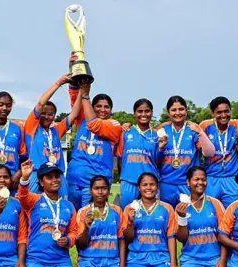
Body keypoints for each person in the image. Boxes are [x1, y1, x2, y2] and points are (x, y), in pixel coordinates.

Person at [66, 53, 122, 210]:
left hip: (95, 184)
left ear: (111, 110)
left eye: (106, 107)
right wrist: (74, 69)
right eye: (98, 106)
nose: (102, 109)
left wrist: (86, 96)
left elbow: (95, 126)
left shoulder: (114, 125)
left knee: (89, 222)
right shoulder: (81, 118)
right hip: (74, 179)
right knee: (72, 221)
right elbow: (74, 95)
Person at [24, 73, 81, 196]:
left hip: (57, 175)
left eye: (50, 114)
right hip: (37, 174)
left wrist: (82, 90)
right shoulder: (32, 127)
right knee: (33, 210)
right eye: (43, 113)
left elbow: (75, 113)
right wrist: (59, 83)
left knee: (62, 208)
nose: (46, 116)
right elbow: (40, 104)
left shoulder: (56, 130)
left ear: (54, 116)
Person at [18, 160, 78, 267]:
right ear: (41, 182)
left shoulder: (69, 206)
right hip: (36, 260)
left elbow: (73, 232)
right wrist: (25, 178)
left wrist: (68, 240)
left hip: (62, 261)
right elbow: (22, 197)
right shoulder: (34, 200)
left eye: (57, 176)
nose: (54, 180)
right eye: (49, 177)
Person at [157, 96, 215, 207]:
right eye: (174, 110)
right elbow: (156, 157)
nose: (178, 113)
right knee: (167, 218)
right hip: (166, 183)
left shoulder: (193, 129)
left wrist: (200, 133)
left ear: (186, 111)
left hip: (187, 184)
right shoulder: (162, 130)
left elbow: (209, 153)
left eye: (181, 109)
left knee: (188, 218)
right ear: (168, 112)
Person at [123, 172, 177, 267]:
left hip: (161, 258)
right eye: (144, 185)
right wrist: (130, 222)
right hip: (136, 258)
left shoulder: (167, 208)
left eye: (152, 184)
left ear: (157, 187)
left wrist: (173, 263)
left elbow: (171, 237)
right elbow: (127, 238)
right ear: (139, 188)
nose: (148, 187)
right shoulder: (130, 208)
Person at [175, 167, 226, 267]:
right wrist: (182, 218)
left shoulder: (215, 204)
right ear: (188, 182)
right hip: (191, 259)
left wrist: (223, 260)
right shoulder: (181, 207)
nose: (201, 182)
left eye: (203, 179)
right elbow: (182, 239)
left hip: (214, 258)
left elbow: (224, 235)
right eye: (196, 179)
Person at [116, 98, 159, 209]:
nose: (143, 114)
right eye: (140, 111)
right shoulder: (126, 132)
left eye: (147, 111)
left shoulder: (156, 135)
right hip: (129, 182)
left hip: (150, 184)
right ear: (134, 114)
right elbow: (120, 159)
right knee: (128, 215)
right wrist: (124, 178)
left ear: (152, 113)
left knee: (149, 216)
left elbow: (159, 161)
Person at [76, 175, 125, 267]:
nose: (100, 192)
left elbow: (121, 239)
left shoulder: (117, 211)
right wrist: (86, 228)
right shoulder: (83, 212)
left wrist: (122, 265)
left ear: (109, 190)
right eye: (96, 188)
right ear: (90, 191)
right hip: (88, 260)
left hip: (112, 261)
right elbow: (81, 245)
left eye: (104, 188)